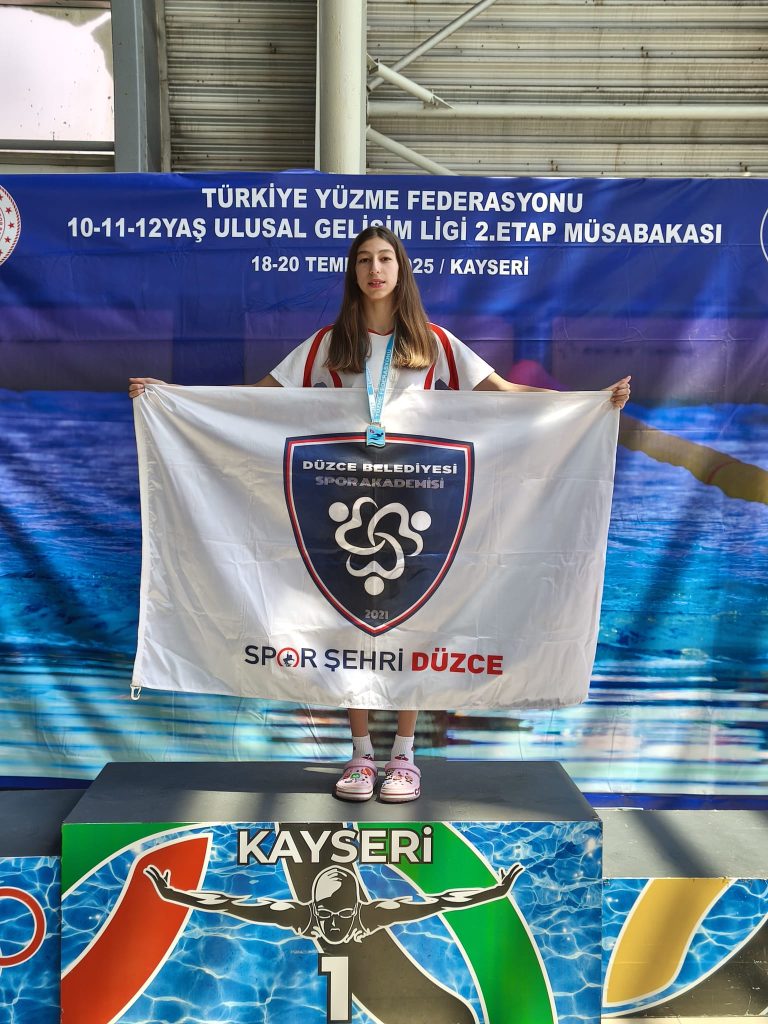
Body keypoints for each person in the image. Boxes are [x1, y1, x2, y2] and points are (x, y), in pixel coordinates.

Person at [130, 225, 631, 804]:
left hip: (419, 503)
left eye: (385, 258)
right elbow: (255, 399)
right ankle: (361, 754)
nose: (375, 269)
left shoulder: (435, 344)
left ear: (400, 269)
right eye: (364, 259)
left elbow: (502, 392)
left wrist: (587, 403)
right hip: (342, 501)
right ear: (354, 272)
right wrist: (172, 398)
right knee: (351, 624)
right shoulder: (326, 346)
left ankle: (405, 756)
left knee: (416, 622)